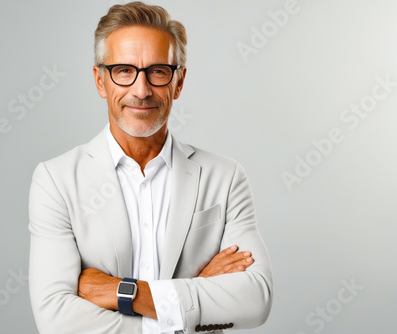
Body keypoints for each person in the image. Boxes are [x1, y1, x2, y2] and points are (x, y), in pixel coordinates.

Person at [28, 2, 273, 333]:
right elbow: (55, 318)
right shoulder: (56, 180)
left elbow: (254, 300)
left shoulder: (225, 178)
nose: (141, 91)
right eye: (124, 71)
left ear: (179, 82)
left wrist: (121, 292)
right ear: (101, 81)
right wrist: (190, 299)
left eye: (157, 71)